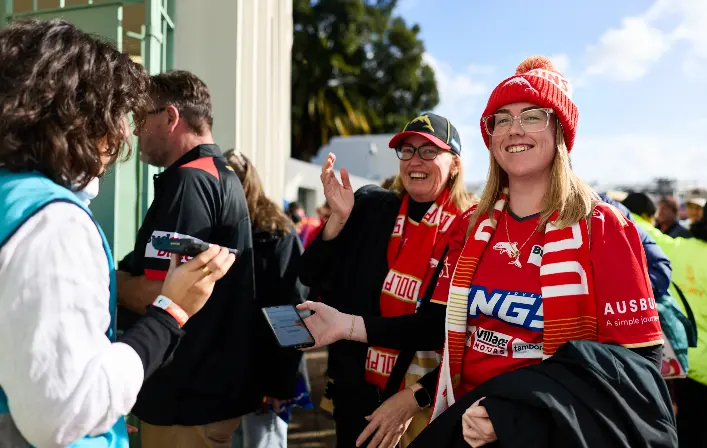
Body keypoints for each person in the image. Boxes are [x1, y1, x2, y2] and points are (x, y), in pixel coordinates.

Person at [405, 56, 672, 447]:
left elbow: (640, 370)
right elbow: (437, 326)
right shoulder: (469, 228)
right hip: (465, 421)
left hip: (549, 431)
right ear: (491, 136)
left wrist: (521, 418)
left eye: (532, 116)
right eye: (502, 118)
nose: (514, 129)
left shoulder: (604, 227)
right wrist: (350, 326)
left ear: (560, 131)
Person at [0, 19, 235, 448]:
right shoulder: (53, 221)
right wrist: (168, 312)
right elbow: (62, 412)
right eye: (121, 115)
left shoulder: (14, 197)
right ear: (78, 116)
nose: (127, 131)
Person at [297, 112, 475, 447]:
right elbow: (311, 274)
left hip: (429, 403)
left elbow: (438, 327)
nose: (414, 161)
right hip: (359, 394)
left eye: (428, 151)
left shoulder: (470, 228)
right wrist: (338, 218)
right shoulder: (373, 207)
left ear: (454, 164)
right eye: (407, 150)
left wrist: (414, 397)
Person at [116, 71, 257, 447]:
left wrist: (107, 279)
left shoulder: (191, 181)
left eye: (140, 117)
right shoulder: (218, 174)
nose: (133, 131)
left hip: (186, 397)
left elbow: (161, 294)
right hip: (205, 392)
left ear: (170, 117)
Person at [224, 150, 310, 448]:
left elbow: (291, 309)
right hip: (225, 378)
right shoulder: (219, 228)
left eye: (234, 179)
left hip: (266, 378)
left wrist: (279, 383)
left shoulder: (276, 232)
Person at [641, 196, 707, 447]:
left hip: (683, 363)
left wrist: (609, 202)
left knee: (685, 433)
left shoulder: (679, 247)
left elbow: (646, 229)